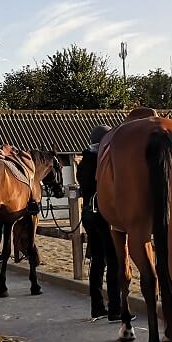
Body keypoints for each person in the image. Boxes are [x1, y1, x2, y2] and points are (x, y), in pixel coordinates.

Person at [76, 125, 120, 321]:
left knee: (97, 260)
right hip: (102, 214)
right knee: (113, 259)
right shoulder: (104, 160)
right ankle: (115, 308)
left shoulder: (83, 161)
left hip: (87, 213)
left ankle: (97, 306)